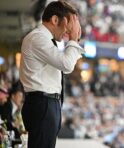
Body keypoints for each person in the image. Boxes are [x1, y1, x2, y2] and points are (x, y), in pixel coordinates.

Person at [19, 1, 84, 148]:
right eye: (68, 26)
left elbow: (66, 66)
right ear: (55, 20)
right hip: (43, 104)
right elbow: (66, 64)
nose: (68, 32)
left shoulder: (46, 40)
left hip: (47, 104)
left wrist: (74, 40)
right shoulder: (38, 38)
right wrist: (73, 40)